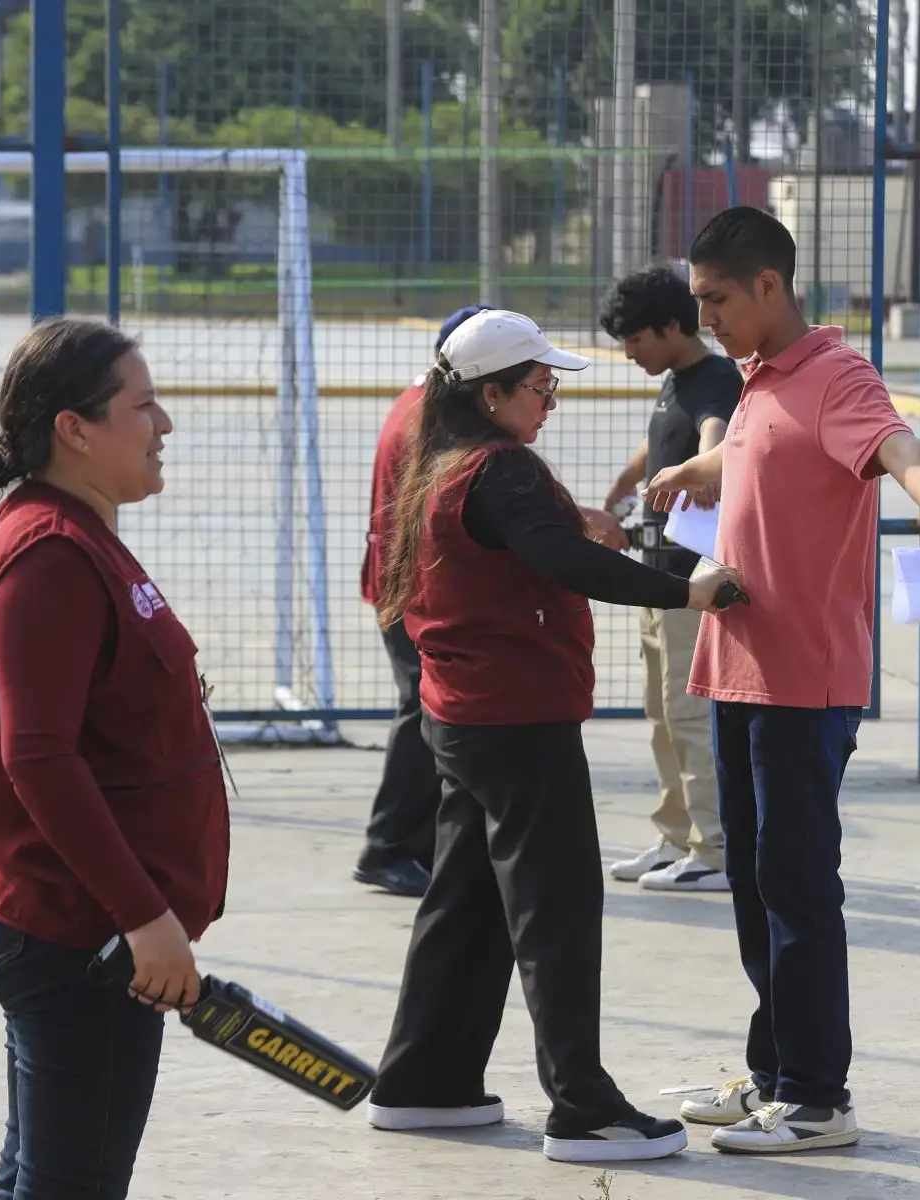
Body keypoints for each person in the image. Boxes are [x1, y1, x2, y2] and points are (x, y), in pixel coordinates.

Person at [365, 308, 740, 1163]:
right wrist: (690, 591)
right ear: (491, 393)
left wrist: (576, 522)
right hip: (514, 717)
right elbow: (565, 563)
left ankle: (425, 1081)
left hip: (463, 713)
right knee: (556, 907)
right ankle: (584, 1108)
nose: (551, 401)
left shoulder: (444, 460)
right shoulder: (500, 470)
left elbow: (544, 546)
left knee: (465, 904)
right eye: (540, 386)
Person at [644, 207, 920, 1154]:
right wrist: (689, 471)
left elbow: (900, 449)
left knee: (795, 886)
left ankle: (819, 1099)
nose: (704, 315)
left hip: (804, 680)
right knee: (753, 882)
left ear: (768, 287)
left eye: (715, 299)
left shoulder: (835, 376)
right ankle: (774, 1074)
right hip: (740, 669)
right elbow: (748, 457)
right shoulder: (757, 381)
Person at [0, 317, 230, 1200]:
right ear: (75, 428)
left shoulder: (72, 532)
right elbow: (38, 757)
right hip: (82, 934)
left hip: (75, 921)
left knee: (41, 1176)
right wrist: (144, 918)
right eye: (142, 407)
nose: (164, 425)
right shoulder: (50, 557)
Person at [598, 264, 744, 892]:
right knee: (660, 713)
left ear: (672, 327)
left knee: (688, 716)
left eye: (637, 339)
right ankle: (674, 837)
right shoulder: (675, 383)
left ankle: (714, 851)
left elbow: (715, 434)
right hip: (654, 576)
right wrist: (617, 495)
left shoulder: (714, 378)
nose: (630, 352)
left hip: (691, 584)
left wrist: (706, 469)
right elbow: (655, 445)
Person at [353, 302, 492, 897]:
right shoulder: (429, 419)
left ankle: (418, 844)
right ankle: (387, 847)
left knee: (426, 711)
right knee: (423, 713)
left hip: (404, 583)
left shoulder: (420, 405)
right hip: (413, 590)